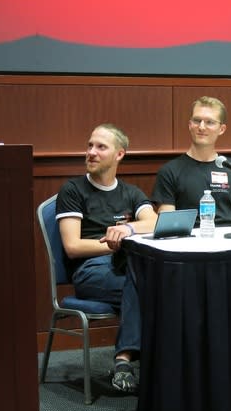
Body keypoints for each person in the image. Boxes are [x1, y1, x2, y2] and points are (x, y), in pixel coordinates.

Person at [55, 123, 157, 392]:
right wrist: (113, 245)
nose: (91, 152)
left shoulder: (131, 192)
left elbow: (154, 222)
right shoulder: (73, 190)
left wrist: (128, 228)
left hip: (126, 266)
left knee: (157, 281)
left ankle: (130, 360)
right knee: (142, 285)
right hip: (89, 270)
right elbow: (72, 247)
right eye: (89, 145)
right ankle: (128, 360)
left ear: (119, 154)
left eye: (101, 147)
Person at [152, 96, 231, 224]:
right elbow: (167, 227)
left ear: (222, 129)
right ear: (190, 125)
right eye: (197, 120)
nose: (201, 127)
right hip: (190, 241)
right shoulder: (170, 171)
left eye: (209, 122)